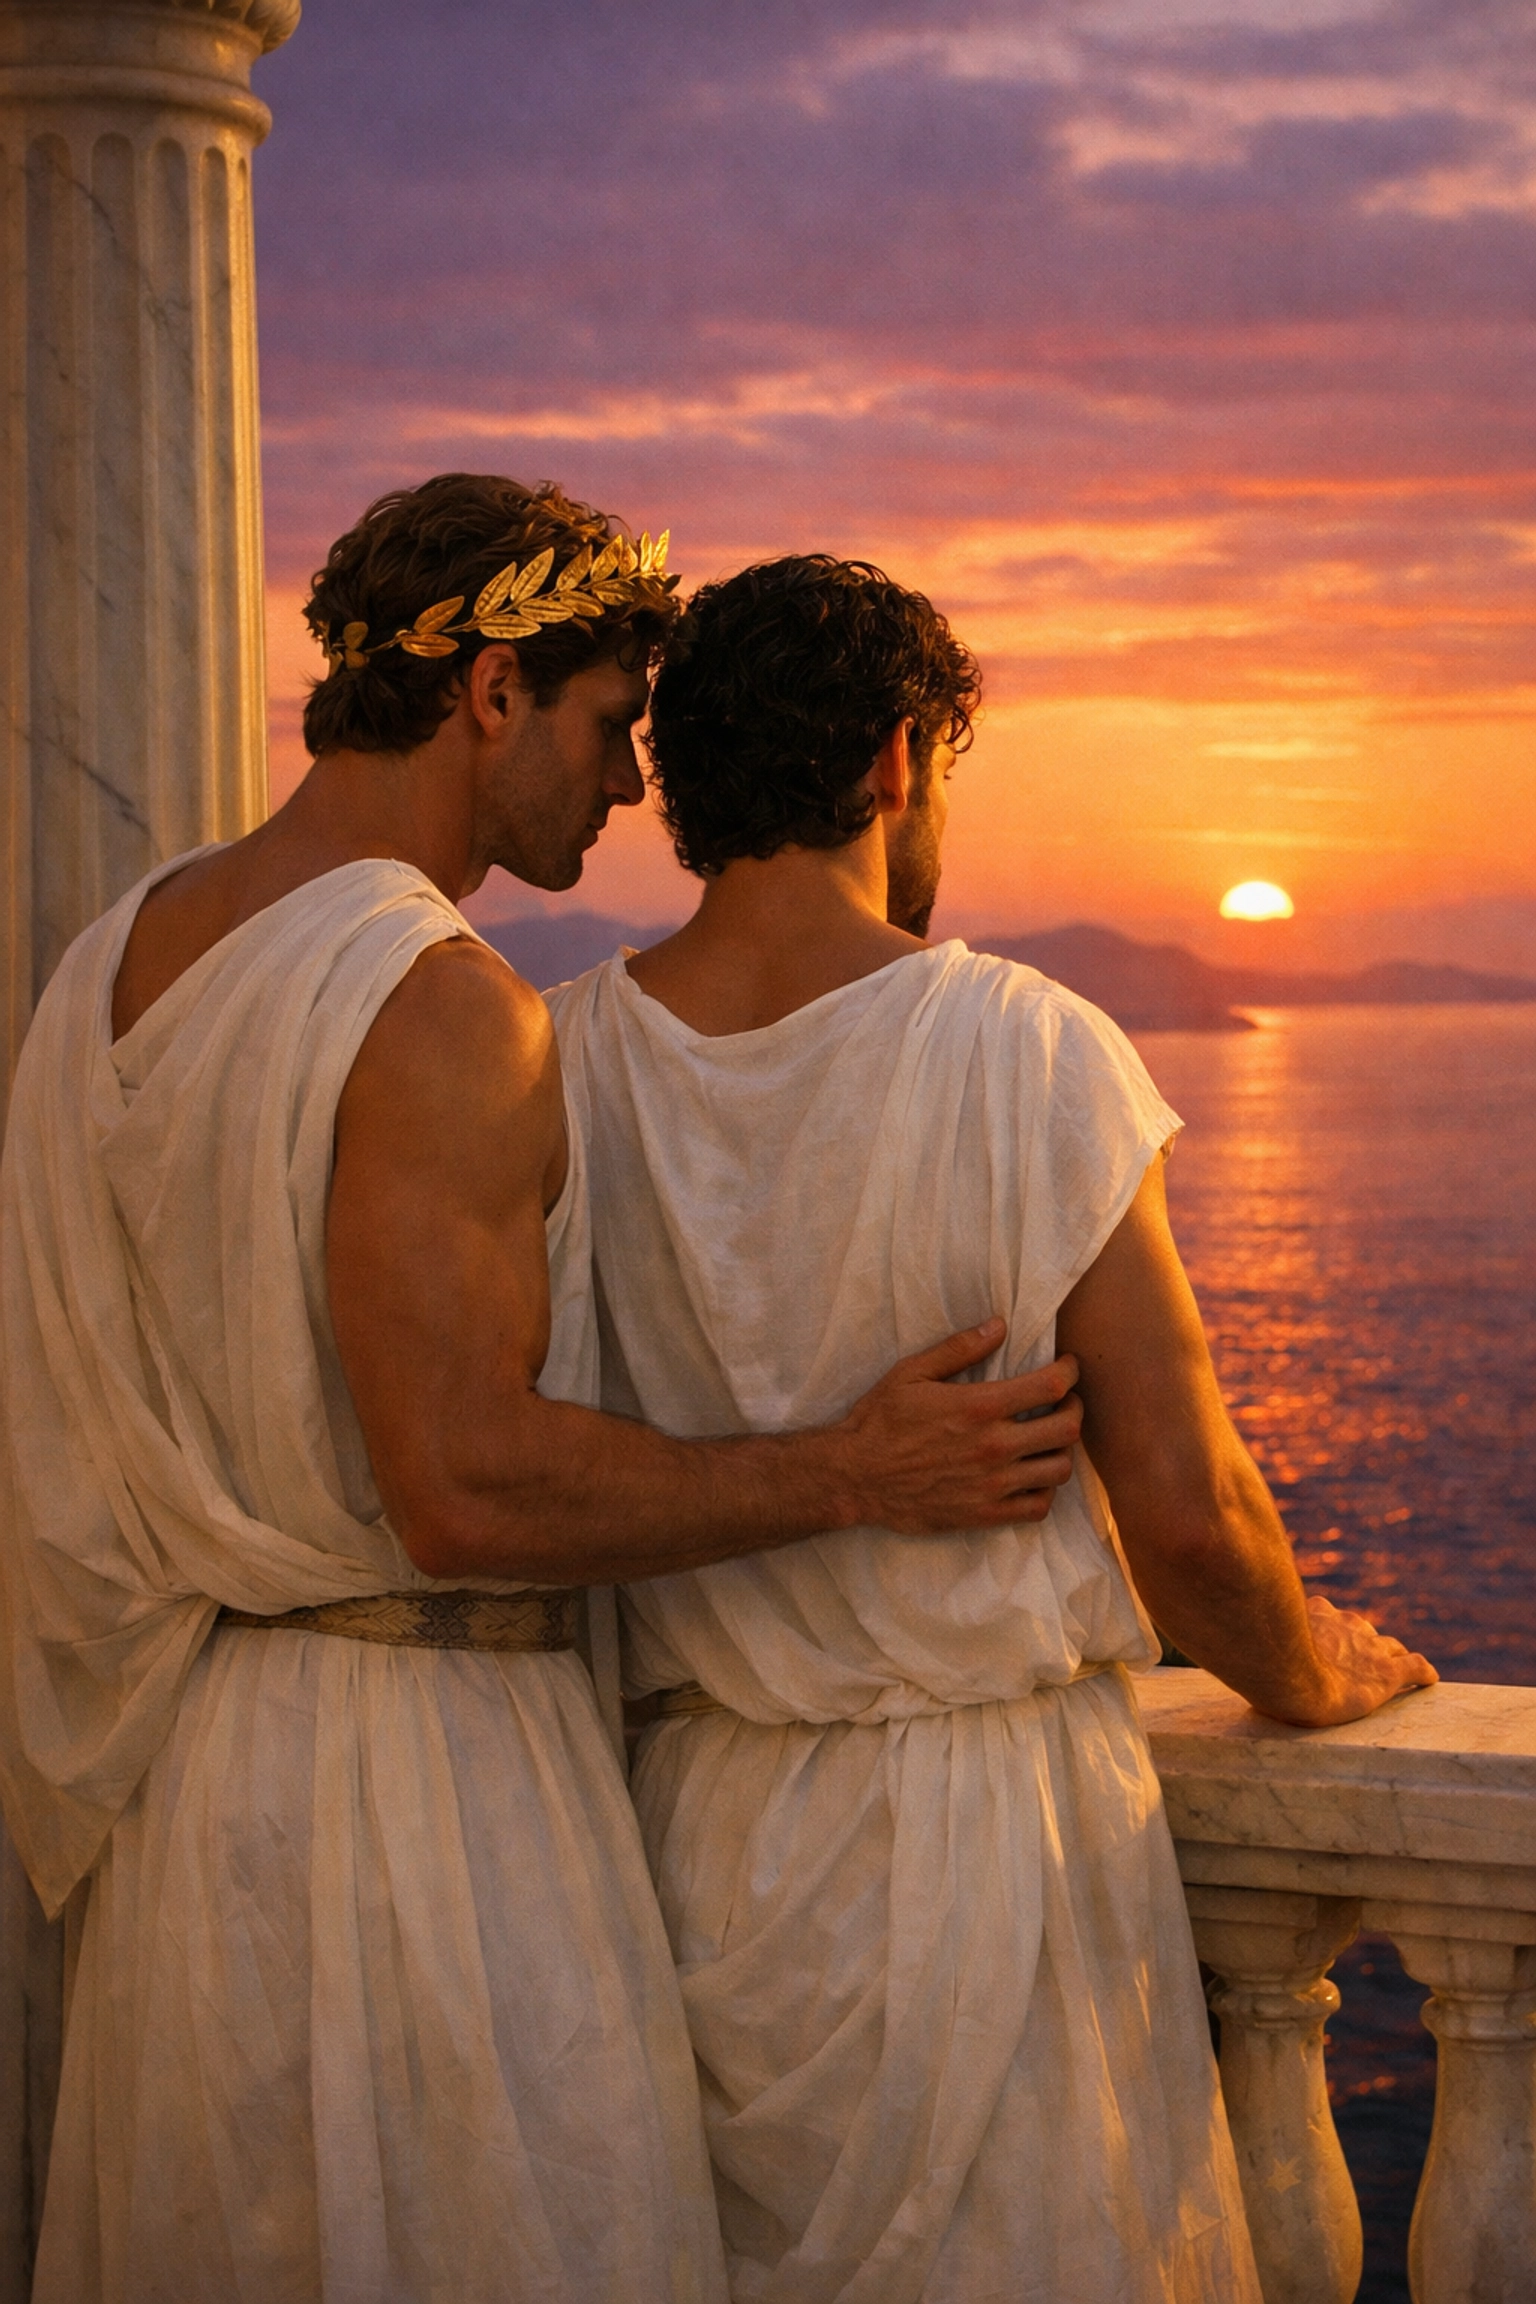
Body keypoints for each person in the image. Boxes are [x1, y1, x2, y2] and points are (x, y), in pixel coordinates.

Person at [0, 483, 1083, 2304]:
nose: (633, 788)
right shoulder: (437, 1005)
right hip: (420, 1795)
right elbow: (464, 1494)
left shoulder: (101, 968)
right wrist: (849, 1468)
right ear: (491, 690)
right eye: (602, 726)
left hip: (194, 1803)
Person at [548, 554, 1438, 2304]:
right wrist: (1315, 1672)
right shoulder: (1027, 1049)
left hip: (687, 1841)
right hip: (985, 1856)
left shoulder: (560, 1058)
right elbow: (1187, 1517)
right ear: (895, 759)